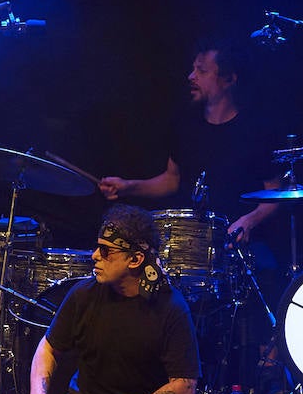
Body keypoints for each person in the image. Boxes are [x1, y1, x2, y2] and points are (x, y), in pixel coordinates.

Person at [13, 205, 200, 394]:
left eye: (106, 250)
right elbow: (49, 346)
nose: (94, 256)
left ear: (136, 259)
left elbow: (185, 385)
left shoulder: (171, 307)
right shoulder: (83, 295)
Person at [97, 41, 281, 243]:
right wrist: (127, 186)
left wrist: (248, 221)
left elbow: (274, 195)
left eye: (201, 71)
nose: (191, 76)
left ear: (228, 79)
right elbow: (171, 179)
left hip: (240, 246)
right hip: (191, 243)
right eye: (193, 69)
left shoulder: (256, 130)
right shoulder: (185, 125)